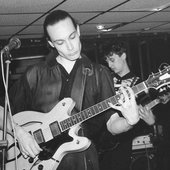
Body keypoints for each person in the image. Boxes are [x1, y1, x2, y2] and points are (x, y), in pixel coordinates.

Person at [0, 10, 140, 170]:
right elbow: (2, 110)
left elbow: (111, 123)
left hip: (83, 162)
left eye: (72, 37)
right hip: (36, 161)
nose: (70, 46)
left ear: (78, 30)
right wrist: (19, 134)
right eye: (60, 42)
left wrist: (130, 121)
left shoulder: (100, 73)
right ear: (51, 43)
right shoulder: (35, 73)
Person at [98, 42, 156, 170]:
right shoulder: (106, 79)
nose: (109, 65)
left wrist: (149, 119)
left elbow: (150, 119)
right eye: (107, 61)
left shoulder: (138, 83)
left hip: (122, 141)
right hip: (100, 136)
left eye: (112, 60)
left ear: (123, 56)